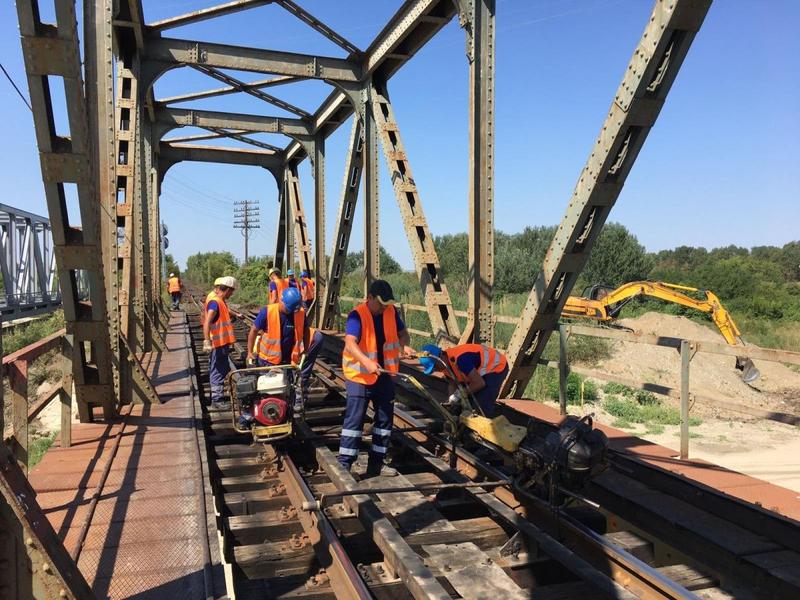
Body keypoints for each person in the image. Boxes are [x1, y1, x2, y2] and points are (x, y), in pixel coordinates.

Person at [339, 280, 414, 477]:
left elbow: (403, 334)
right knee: (354, 421)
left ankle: (377, 464)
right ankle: (345, 465)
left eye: (386, 304)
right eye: (380, 304)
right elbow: (350, 343)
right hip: (360, 377)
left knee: (384, 421)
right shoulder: (357, 315)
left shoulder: (390, 312)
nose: (383, 308)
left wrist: (404, 345)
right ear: (369, 298)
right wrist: (367, 362)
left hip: (385, 376)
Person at [245, 287, 324, 406]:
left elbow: (306, 331)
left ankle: (290, 409)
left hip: (287, 361)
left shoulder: (299, 313)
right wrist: (250, 352)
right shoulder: (267, 311)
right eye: (288, 309)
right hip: (267, 361)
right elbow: (253, 330)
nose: (290, 312)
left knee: (287, 391)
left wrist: (306, 349)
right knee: (266, 391)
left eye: (292, 310)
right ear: (281, 301)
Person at [419, 343, 509, 417]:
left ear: (440, 356)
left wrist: (459, 395)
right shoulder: (444, 364)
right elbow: (452, 383)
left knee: (481, 405)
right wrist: (451, 401)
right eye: (434, 369)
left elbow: (479, 383)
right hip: (478, 371)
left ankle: (484, 426)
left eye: (436, 366)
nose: (437, 370)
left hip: (496, 366)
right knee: (467, 399)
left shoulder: (461, 360)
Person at [203, 276, 237, 410]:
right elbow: (207, 322)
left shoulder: (220, 302)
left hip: (222, 343)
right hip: (217, 344)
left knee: (221, 368)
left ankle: (216, 396)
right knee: (217, 370)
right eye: (232, 291)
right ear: (227, 290)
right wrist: (207, 341)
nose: (232, 294)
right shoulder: (215, 303)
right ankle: (217, 399)